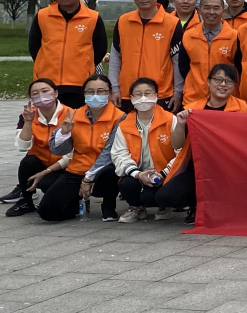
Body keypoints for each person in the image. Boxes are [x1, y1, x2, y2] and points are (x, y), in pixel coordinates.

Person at [158, 64, 247, 224]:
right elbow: (176, 144)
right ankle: (196, 204)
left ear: (234, 85)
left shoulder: (242, 108)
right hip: (197, 168)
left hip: (227, 168)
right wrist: (180, 124)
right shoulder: (193, 109)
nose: (223, 84)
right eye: (218, 80)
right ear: (208, 82)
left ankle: (217, 206)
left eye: (228, 81)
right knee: (165, 196)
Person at [43, 73, 123, 222]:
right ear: (84, 94)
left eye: (101, 91)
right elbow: (57, 150)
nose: (95, 95)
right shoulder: (74, 115)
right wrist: (63, 133)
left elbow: (109, 153)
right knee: (47, 212)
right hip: (77, 169)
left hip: (104, 170)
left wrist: (88, 178)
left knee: (110, 171)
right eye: (90, 91)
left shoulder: (120, 117)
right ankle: (74, 205)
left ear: (109, 93)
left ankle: (108, 206)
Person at [29, 0, 108, 109]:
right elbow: (34, 46)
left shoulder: (92, 18)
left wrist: (84, 66)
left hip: (79, 83)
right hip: (47, 82)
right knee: (47, 119)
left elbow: (100, 49)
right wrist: (44, 64)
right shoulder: (43, 16)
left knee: (77, 120)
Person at [111, 78, 179, 222]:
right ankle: (136, 207)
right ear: (131, 98)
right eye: (138, 94)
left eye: (148, 93)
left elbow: (181, 152)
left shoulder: (170, 120)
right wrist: (138, 174)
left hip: (165, 173)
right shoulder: (124, 125)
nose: (143, 98)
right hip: (138, 173)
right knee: (126, 184)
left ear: (156, 96)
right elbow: (119, 155)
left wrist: (163, 173)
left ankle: (164, 206)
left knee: (152, 197)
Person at [110, 0, 182, 112]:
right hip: (127, 93)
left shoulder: (172, 23)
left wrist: (178, 93)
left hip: (159, 93)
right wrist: (114, 88)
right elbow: (115, 57)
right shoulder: (123, 21)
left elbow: (178, 61)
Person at [4, 79, 71, 215]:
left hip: (64, 165)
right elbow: (22, 147)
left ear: (55, 93)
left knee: (48, 185)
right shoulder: (27, 115)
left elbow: (72, 154)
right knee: (28, 162)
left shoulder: (71, 114)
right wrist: (28, 122)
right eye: (35, 93)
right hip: (40, 161)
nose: (41, 96)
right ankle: (25, 200)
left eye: (45, 91)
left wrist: (46, 171)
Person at [175, 0, 238, 110]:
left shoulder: (234, 37)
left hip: (225, 100)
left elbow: (239, 68)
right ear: (199, 10)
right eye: (207, 8)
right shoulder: (189, 35)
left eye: (216, 8)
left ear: (223, 11)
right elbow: (183, 68)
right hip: (193, 98)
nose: (211, 12)